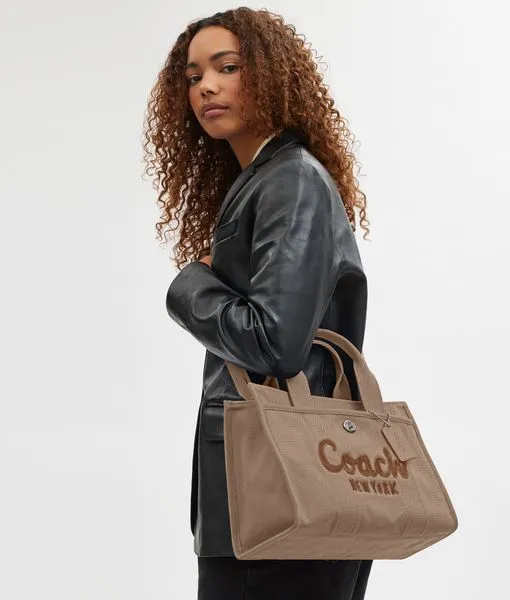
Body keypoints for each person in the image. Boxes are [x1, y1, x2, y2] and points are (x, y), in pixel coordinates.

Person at [143, 7, 373, 599]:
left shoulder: (289, 181)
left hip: (280, 501)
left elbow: (274, 343)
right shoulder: (265, 181)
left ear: (270, 74)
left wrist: (192, 286)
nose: (206, 86)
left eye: (227, 67)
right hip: (282, 495)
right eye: (193, 76)